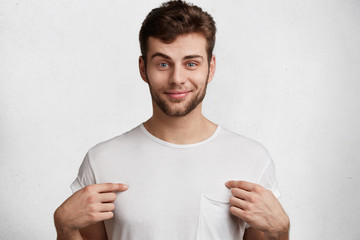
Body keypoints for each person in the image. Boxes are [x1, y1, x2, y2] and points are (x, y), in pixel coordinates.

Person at [54, 1, 290, 239]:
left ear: (211, 68)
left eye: (191, 64)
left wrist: (282, 233)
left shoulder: (251, 159)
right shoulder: (102, 161)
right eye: (163, 64)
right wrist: (64, 228)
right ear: (143, 69)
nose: (177, 78)